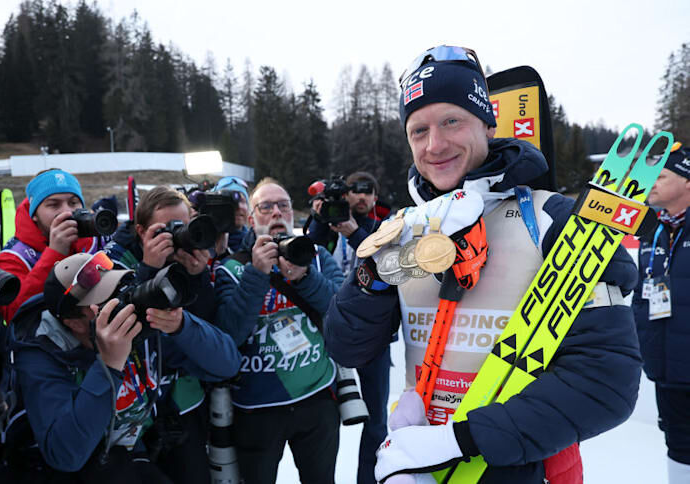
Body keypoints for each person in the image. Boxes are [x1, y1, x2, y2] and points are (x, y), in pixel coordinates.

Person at [324, 45, 641, 483]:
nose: (434, 145)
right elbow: (347, 347)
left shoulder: (552, 220)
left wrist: (459, 441)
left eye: (451, 121)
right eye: (418, 131)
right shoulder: (402, 228)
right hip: (417, 462)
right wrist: (373, 275)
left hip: (521, 467)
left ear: (487, 123)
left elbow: (607, 383)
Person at [0, 252, 240, 483]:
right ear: (73, 322)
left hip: (132, 453)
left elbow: (226, 365)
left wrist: (181, 325)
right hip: (70, 468)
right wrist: (108, 365)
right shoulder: (41, 354)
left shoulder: (139, 328)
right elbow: (66, 455)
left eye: (120, 290)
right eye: (105, 301)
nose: (122, 305)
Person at [214, 177, 344, 484]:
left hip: (316, 396)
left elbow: (342, 312)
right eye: (266, 206)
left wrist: (305, 278)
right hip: (257, 406)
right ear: (250, 219)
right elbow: (230, 335)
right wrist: (257, 275)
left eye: (283, 205)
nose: (276, 213)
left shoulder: (316, 257)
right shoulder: (231, 269)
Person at [105, 186, 225, 484]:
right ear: (141, 230)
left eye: (181, 227)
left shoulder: (192, 262)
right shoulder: (117, 267)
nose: (174, 237)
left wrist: (199, 278)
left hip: (185, 401)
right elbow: (122, 328)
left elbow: (211, 325)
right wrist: (148, 269)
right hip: (134, 414)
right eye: (164, 230)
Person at [305, 171, 392, 484]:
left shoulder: (383, 224)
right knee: (324, 420)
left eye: (368, 191)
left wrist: (355, 232)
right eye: (355, 191)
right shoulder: (327, 221)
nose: (361, 198)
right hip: (328, 329)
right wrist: (318, 219)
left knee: (375, 420)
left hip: (372, 334)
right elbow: (307, 252)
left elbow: (388, 262)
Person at [632, 145, 690, 483]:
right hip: (666, 369)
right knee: (678, 447)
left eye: (662, 176)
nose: (651, 182)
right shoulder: (653, 229)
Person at [0, 168, 107, 321]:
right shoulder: (13, 257)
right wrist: (55, 252)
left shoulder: (97, 241)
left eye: (73, 202)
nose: (66, 211)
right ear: (34, 214)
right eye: (54, 205)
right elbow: (14, 315)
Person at [212, 176, 251, 255]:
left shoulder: (253, 243)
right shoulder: (204, 242)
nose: (238, 206)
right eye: (231, 201)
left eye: (242, 201)